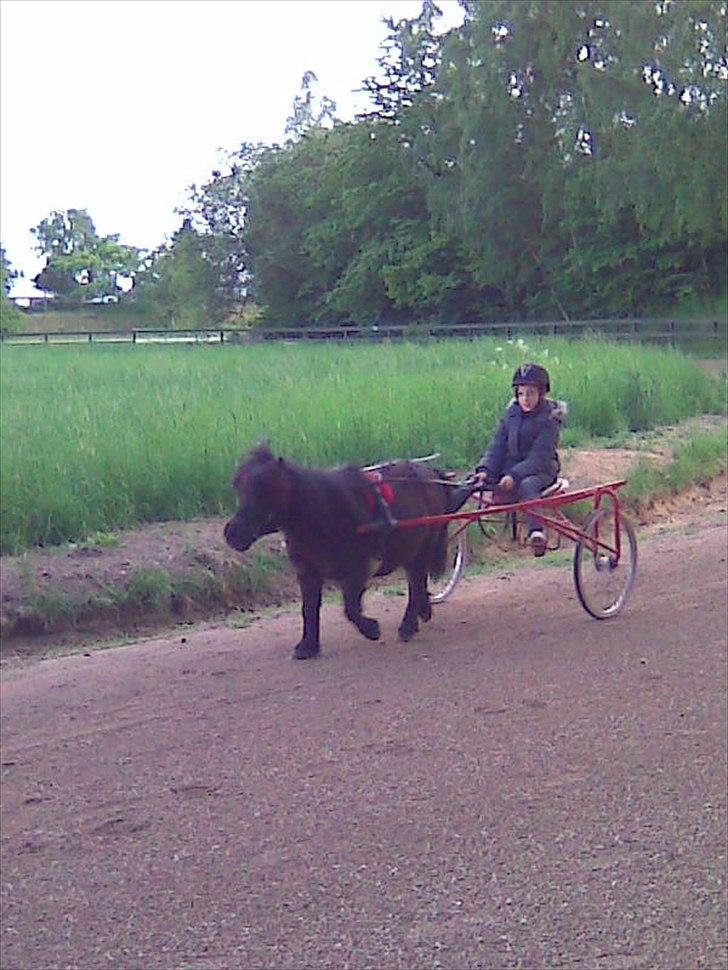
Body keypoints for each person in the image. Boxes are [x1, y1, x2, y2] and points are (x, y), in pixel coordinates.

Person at [472, 363, 565, 557]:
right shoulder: (511, 415)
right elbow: (497, 447)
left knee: (527, 485)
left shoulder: (550, 419)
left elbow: (540, 456)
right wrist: (485, 470)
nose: (526, 399)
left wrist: (514, 475)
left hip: (542, 470)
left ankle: (536, 533)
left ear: (541, 393)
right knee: (475, 481)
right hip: (512, 468)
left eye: (531, 393)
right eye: (521, 394)